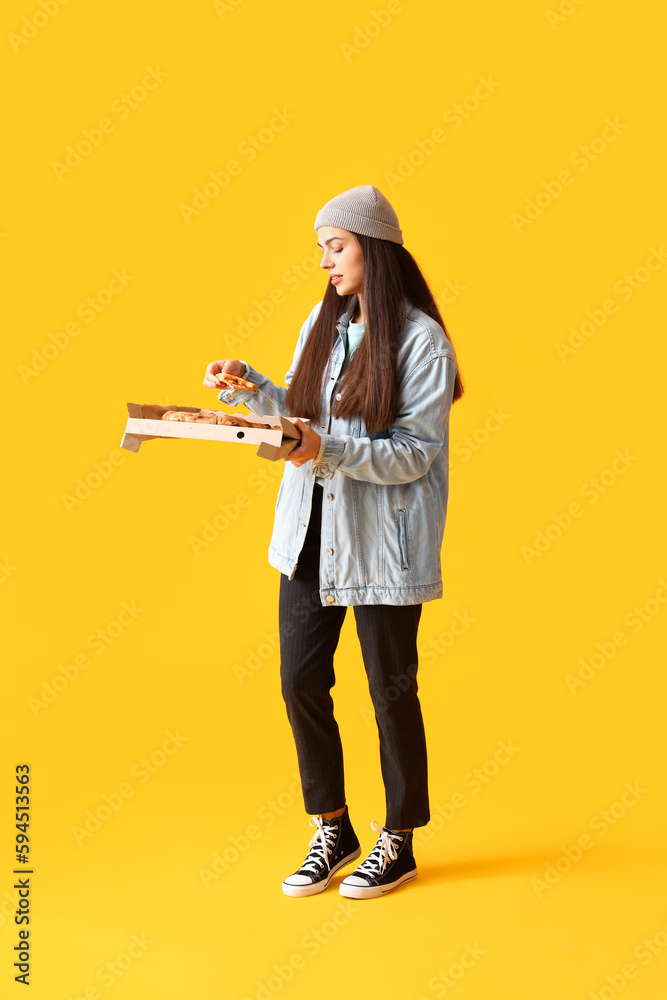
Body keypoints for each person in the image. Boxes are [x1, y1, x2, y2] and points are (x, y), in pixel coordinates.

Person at [204, 185, 464, 899]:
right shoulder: (321, 323)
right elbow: (297, 416)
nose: (323, 260)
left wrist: (324, 447)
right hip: (308, 536)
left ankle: (398, 839)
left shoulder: (420, 342)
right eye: (322, 246)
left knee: (389, 691)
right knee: (298, 681)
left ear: (372, 250)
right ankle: (334, 826)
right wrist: (249, 386)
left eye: (335, 245)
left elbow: (412, 452)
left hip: (382, 545)